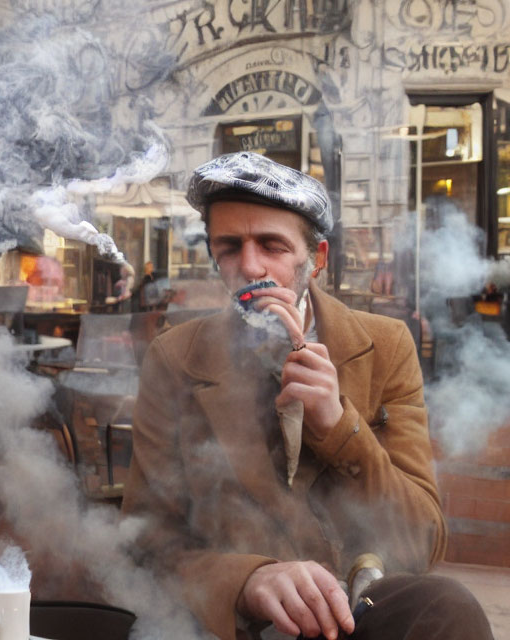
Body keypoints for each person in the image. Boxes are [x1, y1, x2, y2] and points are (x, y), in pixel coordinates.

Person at [122, 152, 493, 640]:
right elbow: (144, 545)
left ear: (315, 260)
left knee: (446, 606)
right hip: (245, 622)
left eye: (272, 245)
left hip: (357, 607)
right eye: (229, 247)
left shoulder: (384, 345)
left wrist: (339, 426)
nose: (249, 265)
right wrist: (248, 580)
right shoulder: (176, 357)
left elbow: (423, 540)